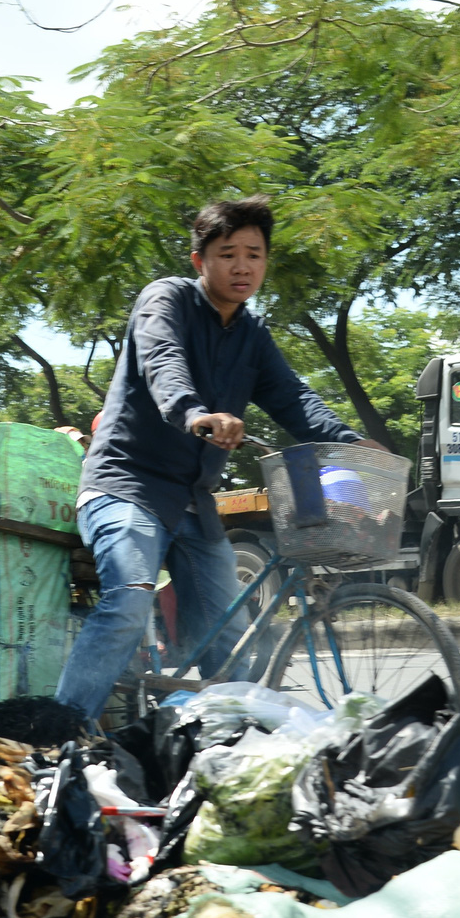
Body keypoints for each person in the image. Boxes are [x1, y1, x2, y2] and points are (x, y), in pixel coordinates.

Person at [54, 196, 385, 720]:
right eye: (227, 253)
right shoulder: (164, 301)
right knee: (130, 598)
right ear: (198, 261)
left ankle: (224, 749)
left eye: (254, 254)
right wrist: (194, 413)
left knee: (230, 636)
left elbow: (292, 398)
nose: (242, 266)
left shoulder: (252, 335)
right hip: (126, 485)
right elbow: (163, 361)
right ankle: (61, 733)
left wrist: (348, 441)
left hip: (192, 502)